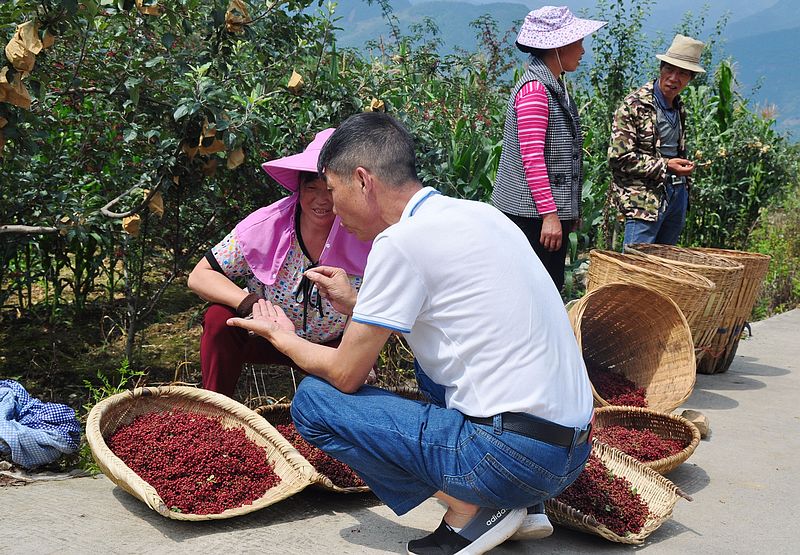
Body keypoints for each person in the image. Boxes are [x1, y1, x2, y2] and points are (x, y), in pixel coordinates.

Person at [228, 113, 594, 555]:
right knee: (430, 359)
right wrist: (358, 304)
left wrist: (278, 334)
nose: (336, 213)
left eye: (334, 191)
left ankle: (472, 508)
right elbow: (452, 323)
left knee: (313, 402)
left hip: (508, 458)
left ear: (363, 181)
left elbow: (346, 375)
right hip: (570, 454)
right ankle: (527, 505)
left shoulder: (401, 242)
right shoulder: (483, 216)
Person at [187, 129, 371, 397]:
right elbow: (199, 275)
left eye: (330, 190)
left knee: (349, 391)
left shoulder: (365, 231)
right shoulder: (267, 224)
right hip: (268, 335)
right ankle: (215, 408)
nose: (321, 200)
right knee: (218, 318)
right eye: (312, 188)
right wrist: (248, 303)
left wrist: (362, 352)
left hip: (331, 347)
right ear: (298, 188)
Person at [492, 6, 606, 292]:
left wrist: (569, 209)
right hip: (532, 218)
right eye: (578, 42)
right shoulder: (535, 92)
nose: (582, 50)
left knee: (544, 288)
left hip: (545, 214)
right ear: (559, 46)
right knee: (537, 291)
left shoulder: (553, 85)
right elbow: (532, 160)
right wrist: (551, 215)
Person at [609, 34, 705, 246]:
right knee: (636, 267)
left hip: (676, 195)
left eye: (682, 73)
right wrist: (667, 166)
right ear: (661, 68)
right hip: (644, 201)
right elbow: (619, 157)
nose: (674, 78)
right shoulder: (634, 105)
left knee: (665, 266)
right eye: (669, 69)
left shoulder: (678, 107)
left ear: (690, 79)